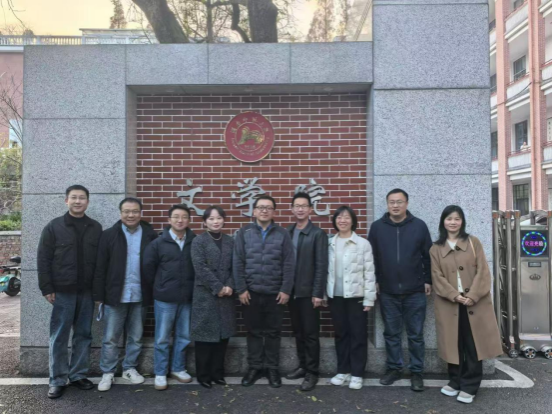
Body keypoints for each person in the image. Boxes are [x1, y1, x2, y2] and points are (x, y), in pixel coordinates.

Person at [430, 205, 502, 404]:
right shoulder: (436, 248)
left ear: (462, 221)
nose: (453, 222)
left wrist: (474, 295)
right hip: (450, 304)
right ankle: (455, 381)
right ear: (443, 222)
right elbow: (436, 276)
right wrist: (454, 295)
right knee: (453, 343)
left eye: (457, 218)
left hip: (474, 303)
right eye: (449, 218)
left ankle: (470, 385)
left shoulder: (473, 242)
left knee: (472, 344)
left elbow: (483, 271)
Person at [37, 185, 103, 399]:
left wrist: (98, 291)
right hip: (62, 292)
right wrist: (47, 287)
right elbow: (43, 258)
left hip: (87, 292)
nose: (78, 201)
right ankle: (57, 379)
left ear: (87, 202)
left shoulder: (95, 228)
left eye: (82, 198)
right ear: (66, 200)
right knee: (59, 335)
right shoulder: (54, 227)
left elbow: (100, 263)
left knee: (83, 334)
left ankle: (78, 375)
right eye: (74, 197)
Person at [368, 189, 433, 392]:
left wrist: (428, 280)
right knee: (391, 334)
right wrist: (375, 280)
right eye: (391, 202)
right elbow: (371, 258)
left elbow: (428, 256)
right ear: (387, 204)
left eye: (399, 202)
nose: (395, 206)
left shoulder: (419, 226)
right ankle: (394, 369)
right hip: (387, 291)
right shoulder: (377, 227)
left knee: (416, 335)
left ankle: (416, 372)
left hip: (415, 291)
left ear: (406, 203)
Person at [93, 197, 158, 392]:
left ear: (140, 213)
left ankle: (129, 368)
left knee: (136, 336)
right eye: (127, 211)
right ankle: (108, 371)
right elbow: (100, 267)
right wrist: (99, 295)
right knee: (111, 337)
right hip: (115, 295)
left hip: (140, 293)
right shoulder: (109, 235)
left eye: (135, 211)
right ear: (120, 213)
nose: (131, 215)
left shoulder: (150, 235)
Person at [234, 195, 295, 388]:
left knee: (273, 333)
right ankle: (254, 368)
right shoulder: (244, 232)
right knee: (253, 332)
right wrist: (241, 289)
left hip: (275, 293)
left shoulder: (282, 234)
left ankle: (272, 369)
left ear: (274, 212)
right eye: (260, 207)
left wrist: (286, 289)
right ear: (254, 211)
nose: (264, 210)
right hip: (250, 293)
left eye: (268, 207)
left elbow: (289, 263)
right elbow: (238, 262)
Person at [143, 205, 196, 391]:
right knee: (162, 338)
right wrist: (160, 286)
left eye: (184, 217)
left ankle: (178, 368)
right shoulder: (158, 243)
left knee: (184, 336)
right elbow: (148, 269)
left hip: (187, 298)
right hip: (165, 298)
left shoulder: (194, 242)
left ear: (189, 220)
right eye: (176, 217)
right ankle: (160, 372)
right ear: (169, 220)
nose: (180, 220)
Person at [327, 206, 376, 391]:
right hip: (336, 297)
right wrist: (324, 294)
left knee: (358, 335)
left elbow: (369, 272)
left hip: (356, 296)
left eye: (347, 217)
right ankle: (343, 370)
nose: (343, 220)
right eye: (339, 217)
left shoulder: (362, 244)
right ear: (335, 221)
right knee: (341, 334)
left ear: (353, 221)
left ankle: (357, 373)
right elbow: (325, 271)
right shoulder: (330, 243)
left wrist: (369, 299)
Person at [285, 193, 328, 392]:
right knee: (298, 332)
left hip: (309, 292)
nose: (300, 209)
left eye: (304, 206)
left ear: (310, 209)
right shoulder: (288, 232)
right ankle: (302, 366)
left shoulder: (317, 234)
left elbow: (321, 265)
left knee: (310, 334)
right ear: (292, 209)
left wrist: (318, 292)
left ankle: (312, 372)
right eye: (297, 205)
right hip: (291, 292)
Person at [191, 206, 237, 389]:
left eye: (219, 218)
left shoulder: (230, 241)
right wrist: (218, 287)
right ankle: (203, 375)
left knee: (222, 337)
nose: (215, 221)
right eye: (211, 218)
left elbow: (235, 266)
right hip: (206, 295)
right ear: (205, 222)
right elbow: (200, 267)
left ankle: (218, 373)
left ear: (224, 220)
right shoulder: (198, 241)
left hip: (227, 295)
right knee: (204, 338)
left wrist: (230, 286)